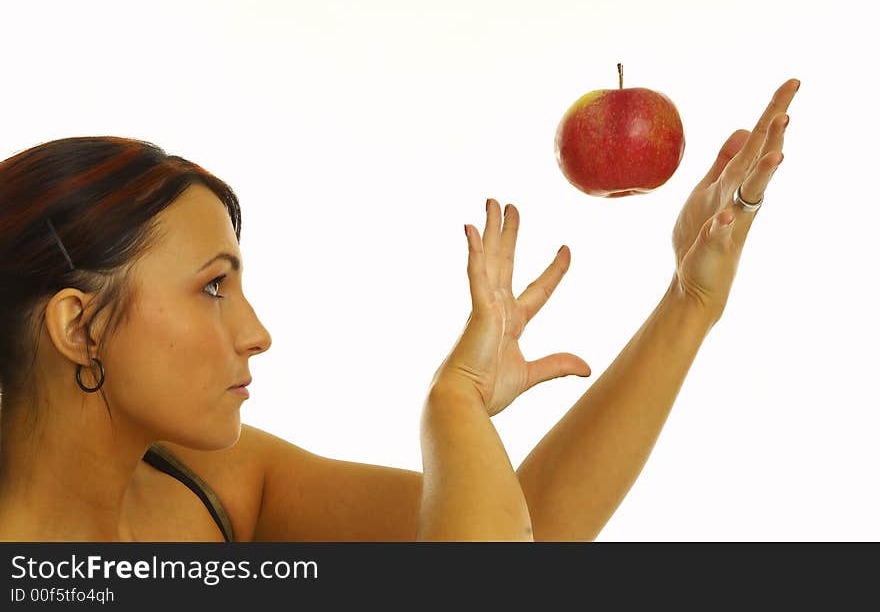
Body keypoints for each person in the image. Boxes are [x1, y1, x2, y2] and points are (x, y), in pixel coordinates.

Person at [0, 79, 799, 542]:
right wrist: (454, 407)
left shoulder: (209, 479)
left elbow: (527, 529)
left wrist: (690, 300)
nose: (257, 332)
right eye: (213, 286)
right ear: (78, 325)